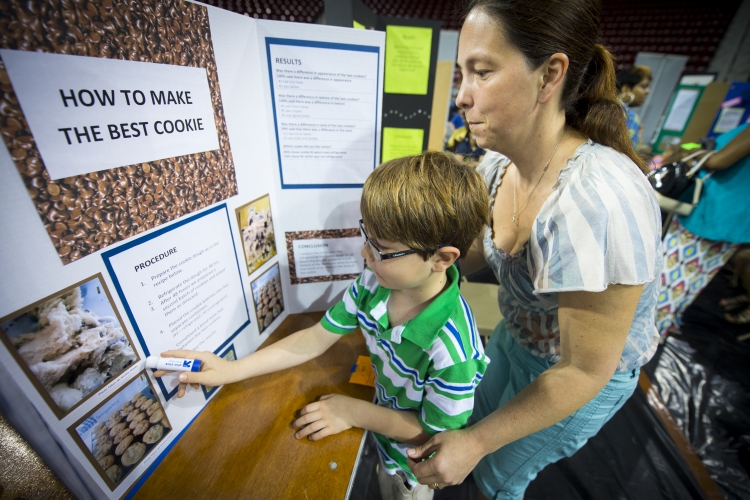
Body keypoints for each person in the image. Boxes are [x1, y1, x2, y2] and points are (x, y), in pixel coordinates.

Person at [405, 1, 663, 499]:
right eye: (462, 73)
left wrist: (478, 443)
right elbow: (480, 253)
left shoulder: (597, 204)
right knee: (468, 418)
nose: (462, 96)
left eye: (481, 72)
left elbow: (585, 368)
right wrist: (411, 262)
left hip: (576, 375)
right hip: (517, 336)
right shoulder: (497, 167)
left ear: (550, 76)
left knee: (495, 474)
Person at [156, 151, 491, 500]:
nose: (365, 254)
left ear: (442, 258)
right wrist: (232, 369)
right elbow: (317, 337)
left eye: (382, 248)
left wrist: (354, 411)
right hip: (378, 430)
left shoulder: (455, 351)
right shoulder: (374, 284)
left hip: (410, 467)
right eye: (367, 237)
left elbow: (432, 437)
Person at [658, 123, 750, 333]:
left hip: (711, 212)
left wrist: (694, 151)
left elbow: (717, 161)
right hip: (735, 219)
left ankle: (645, 332)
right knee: (693, 278)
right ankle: (664, 324)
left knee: (668, 277)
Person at [616, 65, 651, 151]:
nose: (648, 91)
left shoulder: (600, 106)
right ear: (626, 89)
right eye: (643, 86)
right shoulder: (631, 117)